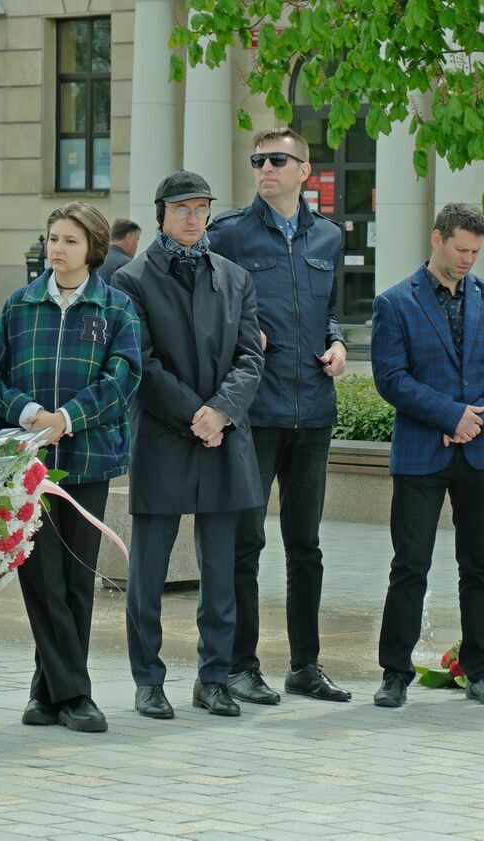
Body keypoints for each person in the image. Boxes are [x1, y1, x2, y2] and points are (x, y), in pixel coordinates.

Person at [0, 203, 142, 733]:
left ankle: (45, 691)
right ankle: (75, 694)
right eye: (53, 238)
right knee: (39, 575)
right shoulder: (19, 305)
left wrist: (68, 419)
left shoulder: (115, 308)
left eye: (70, 240)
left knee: (75, 579)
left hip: (88, 460)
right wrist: (29, 415)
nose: (58, 249)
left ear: (92, 247)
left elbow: (123, 381)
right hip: (28, 463)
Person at [207, 126, 350, 705]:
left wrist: (338, 343)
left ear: (302, 169)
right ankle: (241, 664)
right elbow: (206, 307)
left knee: (306, 546)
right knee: (247, 543)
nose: (266, 168)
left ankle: (305, 665)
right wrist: (242, 332)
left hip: (313, 410)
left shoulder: (328, 238)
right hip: (255, 411)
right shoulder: (230, 235)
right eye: (259, 160)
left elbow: (332, 312)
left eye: (277, 160)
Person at [114, 171, 264, 720]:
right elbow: (142, 362)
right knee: (148, 571)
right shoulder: (132, 280)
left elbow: (251, 356)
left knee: (220, 571)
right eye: (182, 208)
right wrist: (193, 413)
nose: (194, 217)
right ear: (160, 214)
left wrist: (221, 411)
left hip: (224, 437)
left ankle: (214, 678)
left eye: (202, 208)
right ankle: (148, 680)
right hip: (162, 437)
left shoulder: (235, 277)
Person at [370, 203, 484, 709]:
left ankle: (480, 672)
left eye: (475, 252)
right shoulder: (395, 302)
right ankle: (395, 673)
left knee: (478, 567)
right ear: (437, 239)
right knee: (409, 565)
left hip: (483, 452)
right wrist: (450, 417)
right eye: (461, 249)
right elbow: (391, 379)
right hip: (421, 453)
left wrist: (474, 419)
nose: (468, 259)